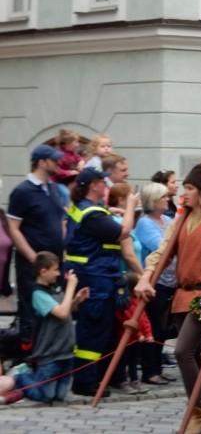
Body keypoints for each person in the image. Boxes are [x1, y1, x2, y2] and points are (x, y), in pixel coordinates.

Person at [135, 163, 201, 434]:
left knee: (181, 351)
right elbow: (162, 252)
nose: (184, 193)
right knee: (189, 354)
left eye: (189, 188)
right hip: (181, 295)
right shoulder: (180, 220)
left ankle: (195, 411)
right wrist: (146, 275)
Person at [64, 167, 137, 397]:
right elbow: (122, 232)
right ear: (93, 185)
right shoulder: (93, 214)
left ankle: (91, 377)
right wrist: (131, 207)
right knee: (93, 330)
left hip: (93, 274)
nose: (105, 184)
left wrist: (109, 210)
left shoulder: (88, 210)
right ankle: (85, 381)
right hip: (96, 277)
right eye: (101, 181)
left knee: (95, 329)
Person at [1, 252, 89, 404]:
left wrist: (76, 300)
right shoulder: (38, 293)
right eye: (55, 269)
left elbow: (66, 309)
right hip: (50, 353)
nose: (58, 273)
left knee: (59, 396)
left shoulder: (56, 289)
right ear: (43, 271)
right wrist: (71, 287)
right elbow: (61, 313)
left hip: (65, 352)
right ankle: (21, 376)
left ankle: (32, 379)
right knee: (45, 396)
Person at [7, 144, 65, 350]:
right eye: (54, 160)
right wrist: (33, 258)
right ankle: (31, 356)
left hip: (54, 263)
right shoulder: (22, 191)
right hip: (33, 265)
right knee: (31, 310)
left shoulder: (53, 189)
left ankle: (51, 351)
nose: (59, 163)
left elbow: (60, 221)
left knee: (55, 306)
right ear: (42, 162)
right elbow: (13, 228)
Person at [134, 182, 176, 386]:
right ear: (153, 201)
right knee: (153, 327)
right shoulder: (145, 223)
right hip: (154, 281)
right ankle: (149, 370)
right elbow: (161, 247)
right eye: (163, 197)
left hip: (170, 281)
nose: (168, 200)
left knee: (163, 327)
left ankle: (158, 367)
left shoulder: (167, 219)